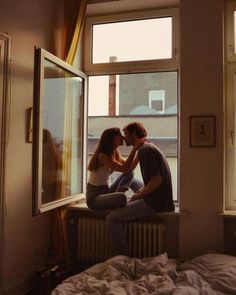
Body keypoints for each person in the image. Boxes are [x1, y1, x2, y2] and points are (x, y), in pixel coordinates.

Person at [106, 121, 175, 256]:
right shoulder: (146, 146)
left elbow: (157, 181)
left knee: (111, 219)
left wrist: (139, 195)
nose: (124, 137)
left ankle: (122, 257)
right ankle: (118, 199)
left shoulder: (145, 151)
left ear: (133, 134)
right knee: (130, 178)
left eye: (126, 133)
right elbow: (129, 169)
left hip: (156, 200)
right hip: (159, 195)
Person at [86, 127, 144, 211]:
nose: (123, 137)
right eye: (119, 135)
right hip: (94, 198)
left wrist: (139, 150)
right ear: (112, 138)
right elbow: (124, 169)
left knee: (130, 174)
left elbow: (130, 168)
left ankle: (143, 196)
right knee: (122, 197)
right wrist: (134, 149)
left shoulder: (114, 153)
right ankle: (121, 201)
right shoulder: (102, 155)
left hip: (106, 192)